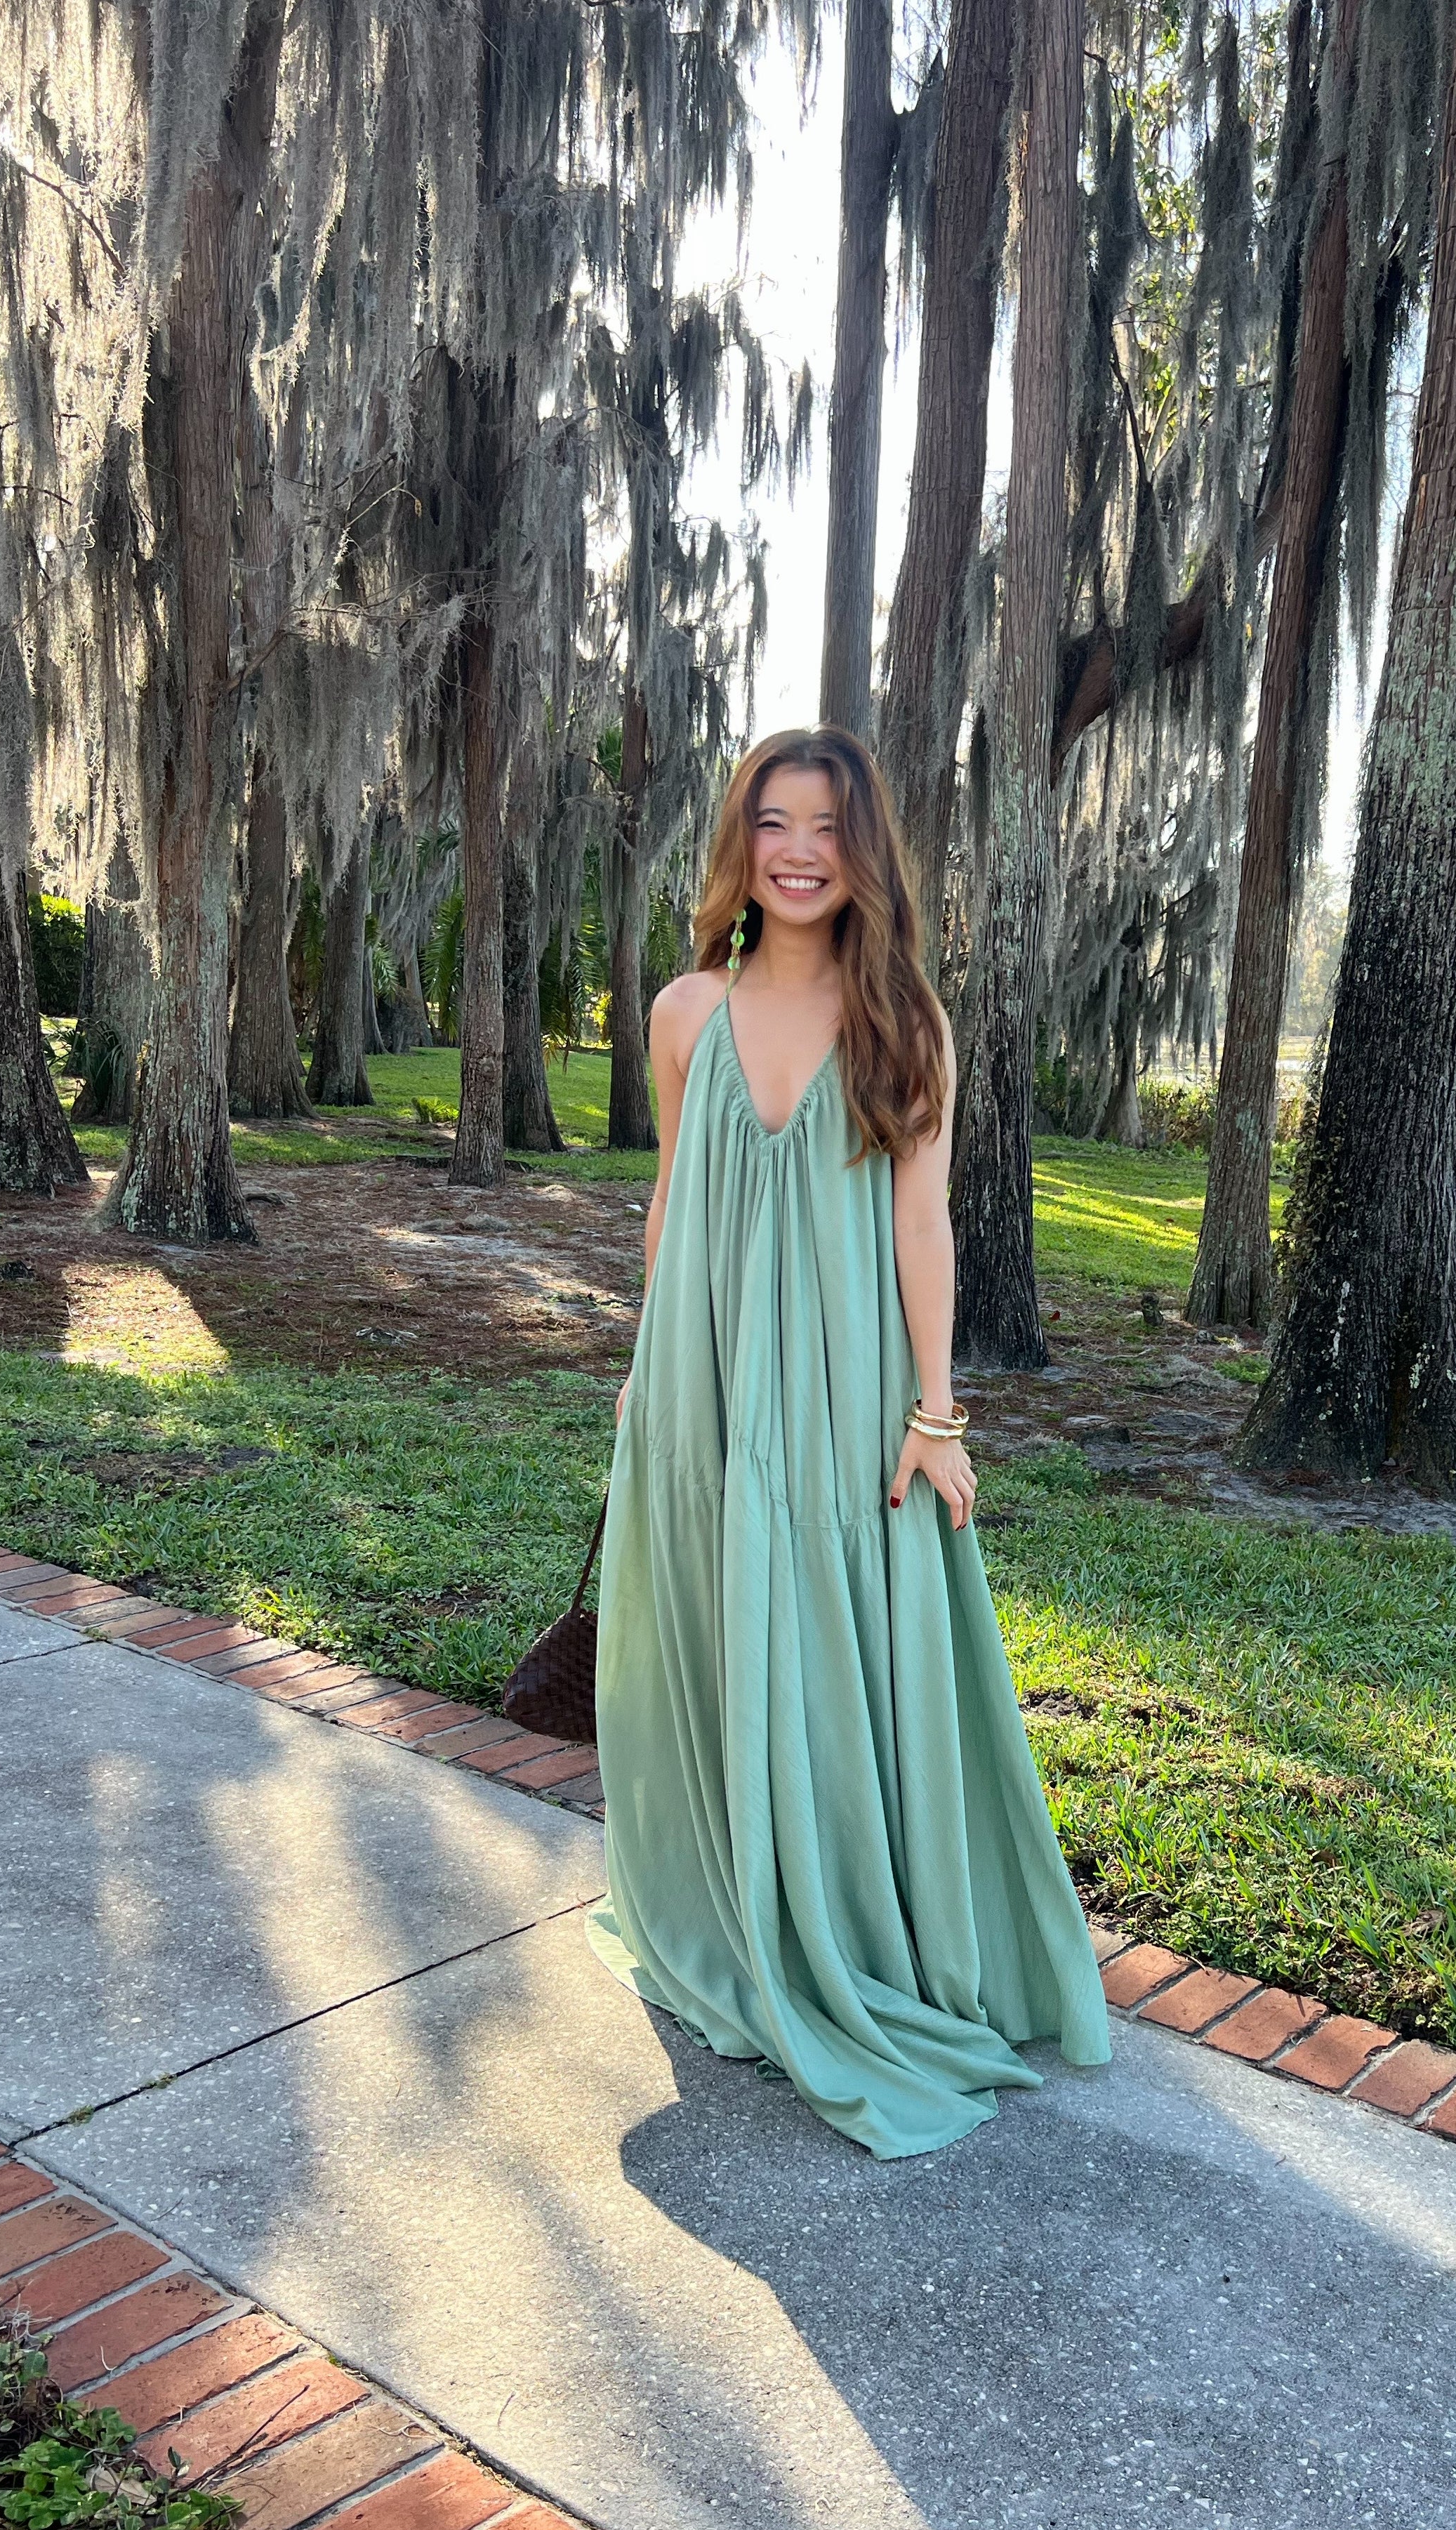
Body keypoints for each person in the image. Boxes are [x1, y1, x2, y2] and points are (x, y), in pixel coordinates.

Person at [585, 725, 1111, 2158]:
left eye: (824, 824)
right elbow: (670, 1209)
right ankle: (718, 1896)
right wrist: (645, 1374)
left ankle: (841, 1926)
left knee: (825, 1630)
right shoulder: (684, 1009)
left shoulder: (905, 1025)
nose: (798, 847)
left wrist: (936, 1412)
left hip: (840, 1380)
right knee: (703, 1630)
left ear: (862, 849)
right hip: (699, 1377)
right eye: (773, 819)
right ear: (741, 839)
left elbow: (921, 1224)